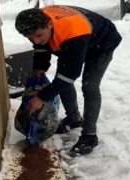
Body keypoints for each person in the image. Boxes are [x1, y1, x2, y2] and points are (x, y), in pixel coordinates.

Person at [15, 5, 122, 156]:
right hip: (73, 41)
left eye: (39, 35)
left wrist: (41, 97)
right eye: (30, 38)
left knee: (89, 86)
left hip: (102, 42)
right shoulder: (38, 21)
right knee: (61, 80)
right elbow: (42, 47)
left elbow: (69, 75)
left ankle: (90, 136)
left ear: (50, 24)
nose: (36, 41)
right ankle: (74, 119)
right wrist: (40, 66)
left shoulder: (73, 34)